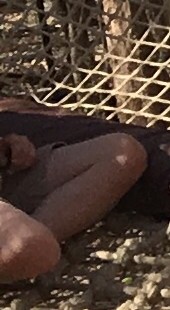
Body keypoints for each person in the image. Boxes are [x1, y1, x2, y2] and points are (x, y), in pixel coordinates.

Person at [0, 121, 146, 283]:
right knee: (24, 242)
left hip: (9, 178)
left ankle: (33, 241)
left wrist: (10, 142)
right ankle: (27, 245)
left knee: (123, 154)